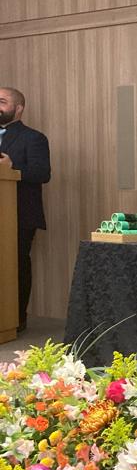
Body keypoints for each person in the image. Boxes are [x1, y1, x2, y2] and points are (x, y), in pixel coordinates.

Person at [0, 87, 51, 333]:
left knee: (16, 264)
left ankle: (15, 318)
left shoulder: (34, 138)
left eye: (2, 102)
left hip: (19, 215)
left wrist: (13, 167)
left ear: (18, 108)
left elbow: (42, 173)